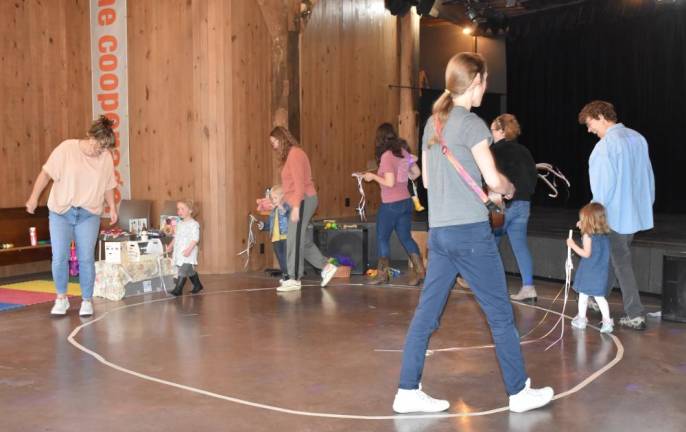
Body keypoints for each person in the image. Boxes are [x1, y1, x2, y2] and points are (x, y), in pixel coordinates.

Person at [392, 52, 553, 414]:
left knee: (426, 314)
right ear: (476, 81)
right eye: (484, 82)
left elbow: (430, 182)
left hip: (441, 234)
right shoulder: (474, 125)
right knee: (499, 313)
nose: (486, 88)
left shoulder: (432, 123)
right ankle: (518, 391)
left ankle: (407, 390)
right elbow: (494, 179)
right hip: (470, 235)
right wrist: (506, 188)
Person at [25, 115, 119, 317]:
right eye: (98, 145)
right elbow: (45, 174)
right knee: (59, 257)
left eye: (104, 148)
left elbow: (108, 185)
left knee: (85, 258)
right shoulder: (66, 149)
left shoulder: (105, 158)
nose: (99, 151)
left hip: (89, 214)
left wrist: (112, 207)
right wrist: (34, 198)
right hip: (61, 212)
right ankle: (61, 298)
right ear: (89, 136)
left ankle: (86, 300)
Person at [578, 100, 655, 331]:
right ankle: (595, 297)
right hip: (634, 214)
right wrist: (645, 206)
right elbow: (648, 177)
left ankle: (635, 313)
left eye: (590, 124)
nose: (589, 130)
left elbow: (602, 190)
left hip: (614, 216)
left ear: (601, 116)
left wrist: (589, 218)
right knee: (614, 258)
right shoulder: (638, 138)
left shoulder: (605, 147)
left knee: (620, 262)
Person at [269, 126, 338, 292]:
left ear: (282, 139)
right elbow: (290, 187)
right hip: (297, 200)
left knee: (293, 238)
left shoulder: (295, 154)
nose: (274, 146)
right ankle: (327, 267)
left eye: (275, 142)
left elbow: (300, 183)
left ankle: (294, 278)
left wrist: (296, 207)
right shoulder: (291, 156)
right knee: (303, 241)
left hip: (303, 199)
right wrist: (280, 202)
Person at [362, 123, 425, 286]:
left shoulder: (386, 156)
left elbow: (389, 183)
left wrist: (372, 177)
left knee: (382, 238)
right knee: (405, 237)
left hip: (391, 204)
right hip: (406, 202)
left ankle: (382, 274)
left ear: (379, 138)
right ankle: (420, 272)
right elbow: (417, 173)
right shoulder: (403, 152)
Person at [490, 114, 539, 302]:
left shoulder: (493, 151)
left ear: (502, 131)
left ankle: (491, 286)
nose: (491, 132)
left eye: (493, 129)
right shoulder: (524, 150)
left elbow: (492, 180)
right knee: (520, 246)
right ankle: (528, 287)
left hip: (502, 204)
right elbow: (533, 177)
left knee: (490, 242)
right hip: (524, 203)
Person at [567, 203, 614, 333]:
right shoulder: (604, 236)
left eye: (583, 219)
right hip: (600, 272)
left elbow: (586, 253)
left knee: (583, 295)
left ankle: (581, 320)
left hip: (589, 271)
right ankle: (607, 322)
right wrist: (582, 226)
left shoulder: (588, 235)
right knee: (600, 298)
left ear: (588, 220)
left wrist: (572, 245)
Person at [167, 199, 203, 296]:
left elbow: (195, 239)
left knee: (182, 271)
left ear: (190, 210)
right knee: (189, 270)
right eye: (178, 209)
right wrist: (170, 246)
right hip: (180, 251)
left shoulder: (194, 224)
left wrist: (189, 249)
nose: (179, 211)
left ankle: (178, 290)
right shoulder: (179, 224)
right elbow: (176, 237)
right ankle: (198, 285)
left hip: (189, 252)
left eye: (182, 209)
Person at [258, 185, 290, 279]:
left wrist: (280, 207)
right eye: (272, 198)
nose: (273, 200)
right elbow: (270, 223)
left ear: (282, 197)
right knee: (280, 256)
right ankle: (285, 274)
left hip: (285, 236)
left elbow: (287, 214)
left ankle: (288, 275)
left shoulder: (286, 206)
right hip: (275, 238)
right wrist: (263, 226)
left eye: (275, 198)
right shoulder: (273, 210)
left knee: (285, 257)